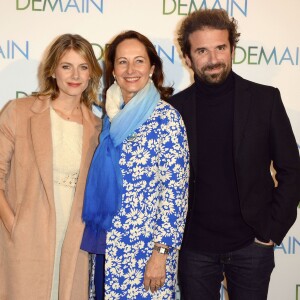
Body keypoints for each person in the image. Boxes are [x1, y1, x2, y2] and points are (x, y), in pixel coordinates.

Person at [168, 9, 300, 300]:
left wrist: (272, 231)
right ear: (188, 57)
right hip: (194, 248)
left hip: (251, 245)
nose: (213, 59)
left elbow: (292, 170)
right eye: (202, 50)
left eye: (220, 48)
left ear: (232, 50)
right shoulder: (172, 110)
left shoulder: (266, 100)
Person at [80, 30, 189, 299]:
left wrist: (161, 254)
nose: (131, 69)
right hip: (107, 246)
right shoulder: (109, 115)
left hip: (145, 254)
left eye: (139, 61)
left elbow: (175, 194)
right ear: (113, 70)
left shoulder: (166, 119)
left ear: (152, 68)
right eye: (122, 62)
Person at [0, 33, 102, 300]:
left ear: (91, 72)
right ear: (53, 70)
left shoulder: (97, 127)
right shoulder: (19, 112)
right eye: (66, 66)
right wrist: (13, 222)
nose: (75, 75)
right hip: (27, 233)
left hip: (74, 237)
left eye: (83, 67)